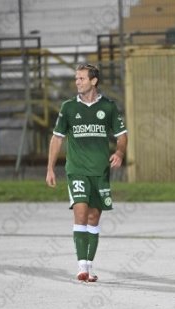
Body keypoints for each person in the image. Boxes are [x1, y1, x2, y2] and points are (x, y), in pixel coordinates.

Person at [46, 63, 128, 283]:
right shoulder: (68, 107)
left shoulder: (109, 107)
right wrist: (50, 168)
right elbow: (57, 138)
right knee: (81, 213)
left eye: (81, 78)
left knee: (93, 217)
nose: (77, 82)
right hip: (77, 170)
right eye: (76, 78)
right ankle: (81, 267)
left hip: (100, 172)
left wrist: (119, 153)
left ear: (93, 81)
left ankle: (89, 267)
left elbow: (121, 136)